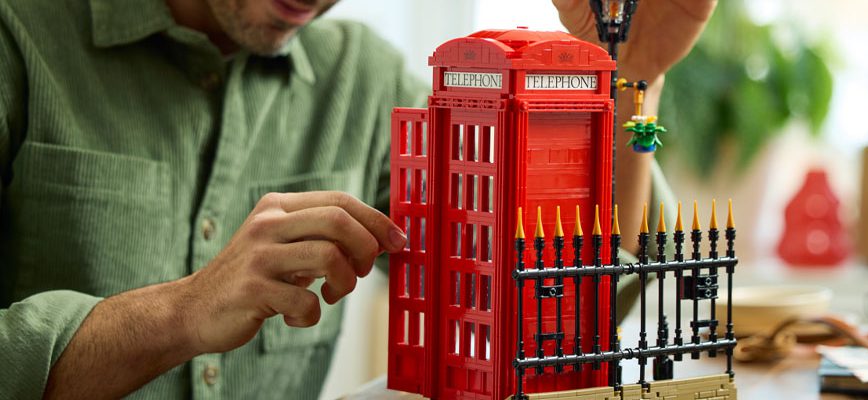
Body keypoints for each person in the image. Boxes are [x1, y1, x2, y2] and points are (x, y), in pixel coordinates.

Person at [0, 0, 716, 398]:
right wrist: (182, 311)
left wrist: (630, 78)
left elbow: (551, 296)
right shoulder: (19, 35)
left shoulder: (364, 78)